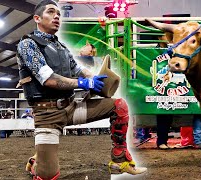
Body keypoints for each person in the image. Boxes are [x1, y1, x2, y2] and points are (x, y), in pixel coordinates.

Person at [16, 1, 146, 179]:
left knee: (119, 106)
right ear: (37, 18)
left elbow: (79, 70)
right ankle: (36, 163)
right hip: (47, 115)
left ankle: (119, 161)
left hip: (70, 108)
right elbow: (48, 79)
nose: (57, 16)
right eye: (51, 12)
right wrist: (84, 84)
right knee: (48, 176)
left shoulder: (61, 47)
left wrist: (92, 78)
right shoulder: (27, 45)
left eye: (59, 14)